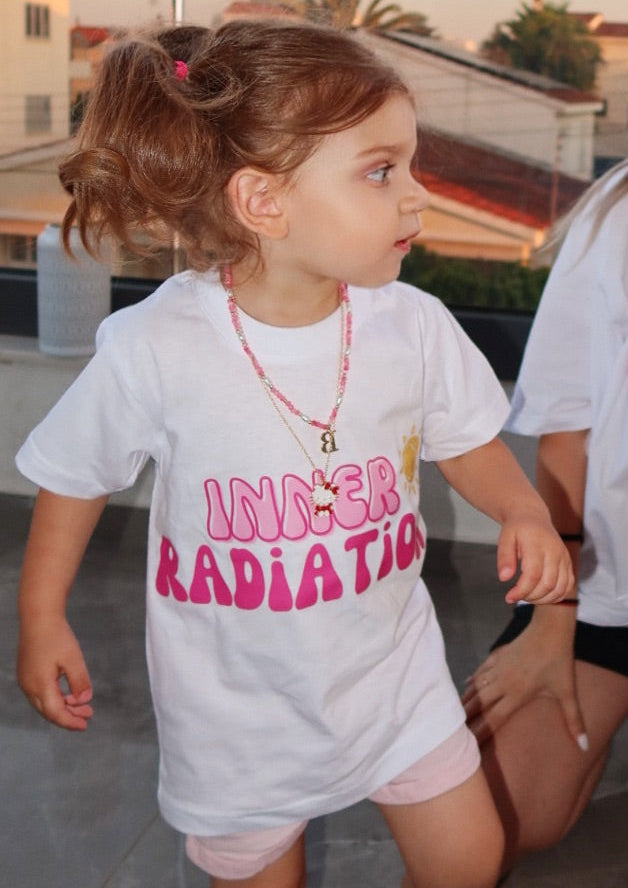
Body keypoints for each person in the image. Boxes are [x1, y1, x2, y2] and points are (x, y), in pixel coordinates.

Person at [15, 21, 573, 888]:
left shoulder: (412, 326)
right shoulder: (158, 346)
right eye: (382, 171)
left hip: (393, 679)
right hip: (238, 716)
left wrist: (523, 508)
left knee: (469, 856)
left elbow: (466, 441)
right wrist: (41, 615)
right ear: (264, 201)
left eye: (411, 165)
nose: (418, 195)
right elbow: (72, 476)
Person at [463, 159, 628, 875]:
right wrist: (554, 619)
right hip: (608, 588)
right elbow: (567, 424)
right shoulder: (619, 208)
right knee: (485, 824)